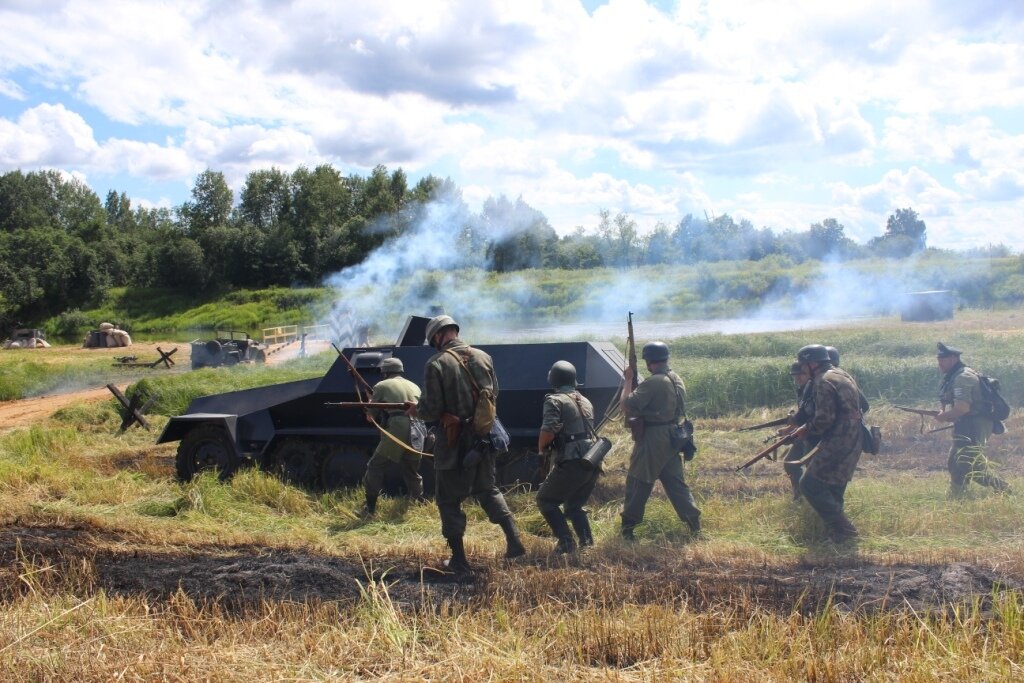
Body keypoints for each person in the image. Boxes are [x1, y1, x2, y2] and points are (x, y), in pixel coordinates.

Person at [406, 315, 526, 573]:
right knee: (488, 489)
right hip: (483, 437)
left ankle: (459, 560)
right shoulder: (484, 357)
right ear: (453, 331)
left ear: (437, 336)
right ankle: (514, 542)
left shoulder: (436, 363)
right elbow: (494, 395)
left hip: (452, 441)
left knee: (448, 500)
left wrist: (417, 410)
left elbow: (431, 409)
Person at [619, 341, 701, 540]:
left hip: (653, 440)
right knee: (676, 484)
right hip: (672, 437)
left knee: (638, 482)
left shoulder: (655, 381)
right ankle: (694, 526)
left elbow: (626, 405)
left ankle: (628, 529)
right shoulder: (675, 378)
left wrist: (628, 380)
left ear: (649, 361)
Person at [794, 344, 865, 543]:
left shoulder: (823, 381)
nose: (802, 369)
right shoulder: (841, 374)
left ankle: (845, 530)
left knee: (809, 484)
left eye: (804, 365)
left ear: (813, 363)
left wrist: (806, 430)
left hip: (838, 439)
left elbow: (824, 419)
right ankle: (837, 535)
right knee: (834, 483)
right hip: (853, 436)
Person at [536, 360, 600, 553]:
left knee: (545, 500)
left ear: (553, 380)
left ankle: (566, 542)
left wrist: (541, 451)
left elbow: (548, 430)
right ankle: (587, 544)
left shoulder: (554, 400)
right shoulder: (585, 400)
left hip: (572, 460)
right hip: (593, 459)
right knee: (574, 505)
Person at [934, 342, 1010, 497]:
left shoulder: (963, 377)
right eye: (939, 359)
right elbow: (947, 400)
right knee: (955, 463)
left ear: (955, 358)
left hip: (976, 424)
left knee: (969, 465)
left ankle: (1004, 489)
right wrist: (943, 411)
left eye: (944, 358)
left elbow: (962, 408)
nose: (940, 362)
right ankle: (957, 497)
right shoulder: (952, 375)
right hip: (965, 423)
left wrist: (944, 416)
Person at [361, 357, 424, 516]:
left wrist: (370, 399)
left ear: (385, 372)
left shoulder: (381, 386)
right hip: (419, 428)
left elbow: (370, 417)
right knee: (411, 470)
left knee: (375, 466)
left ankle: (369, 509)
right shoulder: (415, 386)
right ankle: (418, 504)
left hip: (398, 426)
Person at [782, 361, 814, 501]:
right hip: (804, 433)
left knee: (813, 471)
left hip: (815, 435)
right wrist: (790, 428)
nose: (798, 378)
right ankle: (799, 496)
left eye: (801, 374)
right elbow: (803, 415)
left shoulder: (816, 389)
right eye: (795, 375)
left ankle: (812, 500)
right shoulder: (802, 390)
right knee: (790, 463)